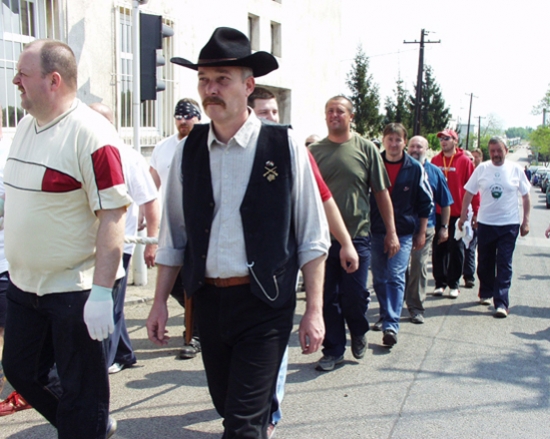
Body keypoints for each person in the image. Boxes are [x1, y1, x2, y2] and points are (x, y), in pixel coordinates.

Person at [146, 27, 330, 438]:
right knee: (227, 406)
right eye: (204, 80)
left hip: (264, 304)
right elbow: (174, 235)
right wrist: (159, 302)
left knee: (242, 424)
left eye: (222, 79)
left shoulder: (285, 146)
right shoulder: (188, 149)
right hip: (208, 302)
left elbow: (312, 236)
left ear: (248, 86)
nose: (210, 89)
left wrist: (314, 310)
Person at [2, 40, 130, 438]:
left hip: (75, 290)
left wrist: (102, 293)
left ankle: (85, 424)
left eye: (23, 74)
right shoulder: (26, 127)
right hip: (24, 285)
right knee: (21, 370)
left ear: (53, 80)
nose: (15, 81)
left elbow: (113, 214)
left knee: (82, 390)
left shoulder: (93, 136)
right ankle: (89, 426)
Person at [249, 84, 358, 437]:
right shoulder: (221, 151)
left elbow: (324, 200)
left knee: (273, 341)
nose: (271, 119)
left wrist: (345, 243)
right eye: (264, 113)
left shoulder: (292, 149)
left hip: (278, 268)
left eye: (275, 112)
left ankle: (269, 411)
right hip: (232, 273)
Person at [310, 96, 399, 369]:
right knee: (328, 297)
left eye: (340, 111)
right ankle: (333, 350)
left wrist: (391, 232)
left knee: (355, 295)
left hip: (357, 235)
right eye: (329, 111)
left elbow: (381, 193)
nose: (334, 115)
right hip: (323, 238)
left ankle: (358, 330)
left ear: (351, 117)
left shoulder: (366, 149)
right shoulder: (314, 151)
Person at [89, 102, 160, 374]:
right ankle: (124, 353)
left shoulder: (128, 157)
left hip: (121, 243)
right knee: (111, 302)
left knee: (110, 303)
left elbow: (150, 200)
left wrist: (152, 241)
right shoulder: (84, 150)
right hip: (90, 245)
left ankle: (103, 363)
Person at [370, 124, 432, 346]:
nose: (394, 144)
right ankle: (385, 314)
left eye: (398, 140)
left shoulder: (414, 168)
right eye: (390, 139)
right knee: (379, 278)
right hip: (376, 231)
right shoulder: (374, 163)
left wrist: (421, 232)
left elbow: (425, 203)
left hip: (404, 233)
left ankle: (391, 325)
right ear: (383, 140)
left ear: (404, 142)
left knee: (396, 276)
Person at [150, 99, 202, 360]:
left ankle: (195, 334)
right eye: (179, 116)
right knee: (173, 284)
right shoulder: (163, 147)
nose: (183, 121)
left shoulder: (205, 144)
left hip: (198, 227)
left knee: (195, 282)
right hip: (170, 225)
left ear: (198, 118)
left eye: (188, 116)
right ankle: (201, 320)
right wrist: (145, 217)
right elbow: (151, 185)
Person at [459, 137, 530, 318]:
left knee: (504, 262)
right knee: (485, 261)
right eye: (492, 151)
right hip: (486, 223)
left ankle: (501, 302)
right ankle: (486, 291)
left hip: (509, 224)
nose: (496, 154)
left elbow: (525, 196)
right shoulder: (482, 169)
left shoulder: (516, 169)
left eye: (499, 150)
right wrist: (463, 215)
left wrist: (526, 221)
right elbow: (469, 192)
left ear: (506, 150)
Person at [405, 136, 453, 324]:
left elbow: (446, 203)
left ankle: (416, 307)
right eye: (412, 146)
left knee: (418, 263)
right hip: (401, 227)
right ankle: (393, 306)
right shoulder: (400, 168)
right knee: (398, 267)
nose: (415, 150)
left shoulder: (435, 172)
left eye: (419, 146)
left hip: (427, 227)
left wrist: (445, 227)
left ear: (426, 149)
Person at [430, 129, 478, 299]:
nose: (443, 141)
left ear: (455, 141)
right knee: (438, 248)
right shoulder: (435, 160)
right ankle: (440, 283)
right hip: (438, 211)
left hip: (457, 213)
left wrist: (475, 211)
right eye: (441, 139)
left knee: (456, 248)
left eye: (447, 138)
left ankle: (454, 284)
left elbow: (473, 188)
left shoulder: (464, 161)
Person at [463, 148, 480, 289]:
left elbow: (477, 197)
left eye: (472, 159)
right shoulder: (460, 173)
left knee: (470, 246)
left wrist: (476, 214)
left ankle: (469, 275)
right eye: (467, 158)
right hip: (460, 216)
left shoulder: (480, 174)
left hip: (473, 217)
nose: (469, 161)